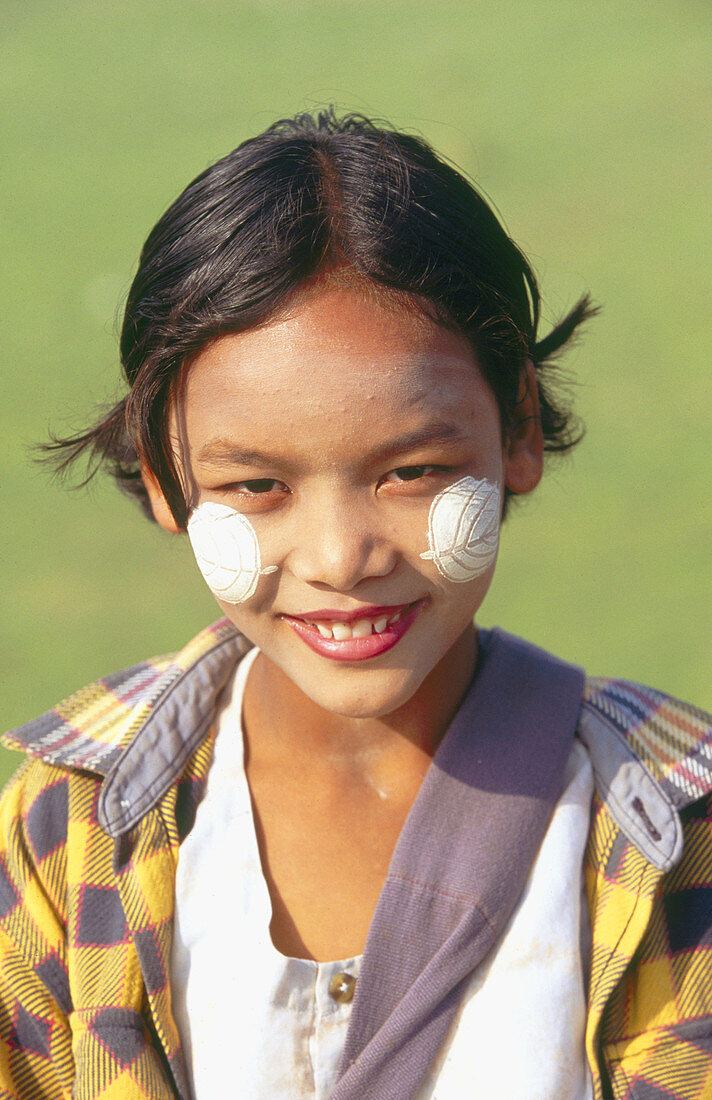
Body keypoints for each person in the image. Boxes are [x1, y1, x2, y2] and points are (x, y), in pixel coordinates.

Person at [0, 109, 710, 1100]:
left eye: (411, 470)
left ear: (517, 430)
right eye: (256, 485)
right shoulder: (65, 825)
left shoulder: (669, 827)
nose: (339, 557)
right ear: (165, 476)